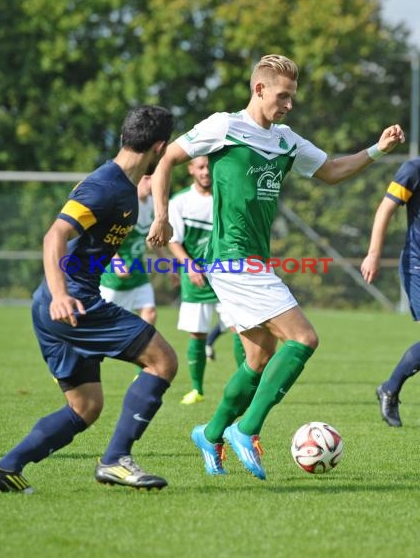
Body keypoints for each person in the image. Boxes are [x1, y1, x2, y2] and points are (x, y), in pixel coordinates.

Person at [147, 54, 404, 480]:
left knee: (258, 357)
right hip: (233, 261)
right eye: (282, 96)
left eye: (293, 98)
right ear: (259, 89)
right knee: (303, 339)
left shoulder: (286, 140)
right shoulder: (223, 126)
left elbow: (334, 170)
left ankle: (210, 434)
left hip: (250, 263)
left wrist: (378, 149)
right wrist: (161, 215)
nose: (288, 104)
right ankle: (246, 430)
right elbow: (165, 160)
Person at [0, 105, 177, 493]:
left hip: (55, 305)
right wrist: (60, 294)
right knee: (163, 361)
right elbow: (54, 235)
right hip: (72, 302)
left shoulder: (127, 181)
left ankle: (6, 469)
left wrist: (160, 215)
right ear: (159, 146)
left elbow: (161, 178)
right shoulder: (105, 186)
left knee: (85, 407)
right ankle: (116, 460)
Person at [168, 156, 245, 404]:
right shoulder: (180, 202)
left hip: (226, 277)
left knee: (240, 329)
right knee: (198, 335)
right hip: (196, 278)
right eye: (200, 167)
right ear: (191, 169)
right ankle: (197, 390)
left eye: (209, 167)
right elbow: (174, 241)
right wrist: (189, 266)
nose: (205, 172)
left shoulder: (226, 198)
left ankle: (245, 387)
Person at [361, 157, 420, 427]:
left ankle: (390, 387)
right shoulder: (413, 169)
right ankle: (391, 388)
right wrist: (373, 254)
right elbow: (385, 209)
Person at [99, 174, 178, 327]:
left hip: (138, 273)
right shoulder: (124, 205)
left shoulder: (153, 206)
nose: (151, 182)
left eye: (154, 178)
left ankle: (138, 350)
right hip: (113, 278)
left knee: (150, 314)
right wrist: (117, 262)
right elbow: (104, 237)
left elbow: (152, 242)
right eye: (147, 178)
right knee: (106, 326)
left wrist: (169, 267)